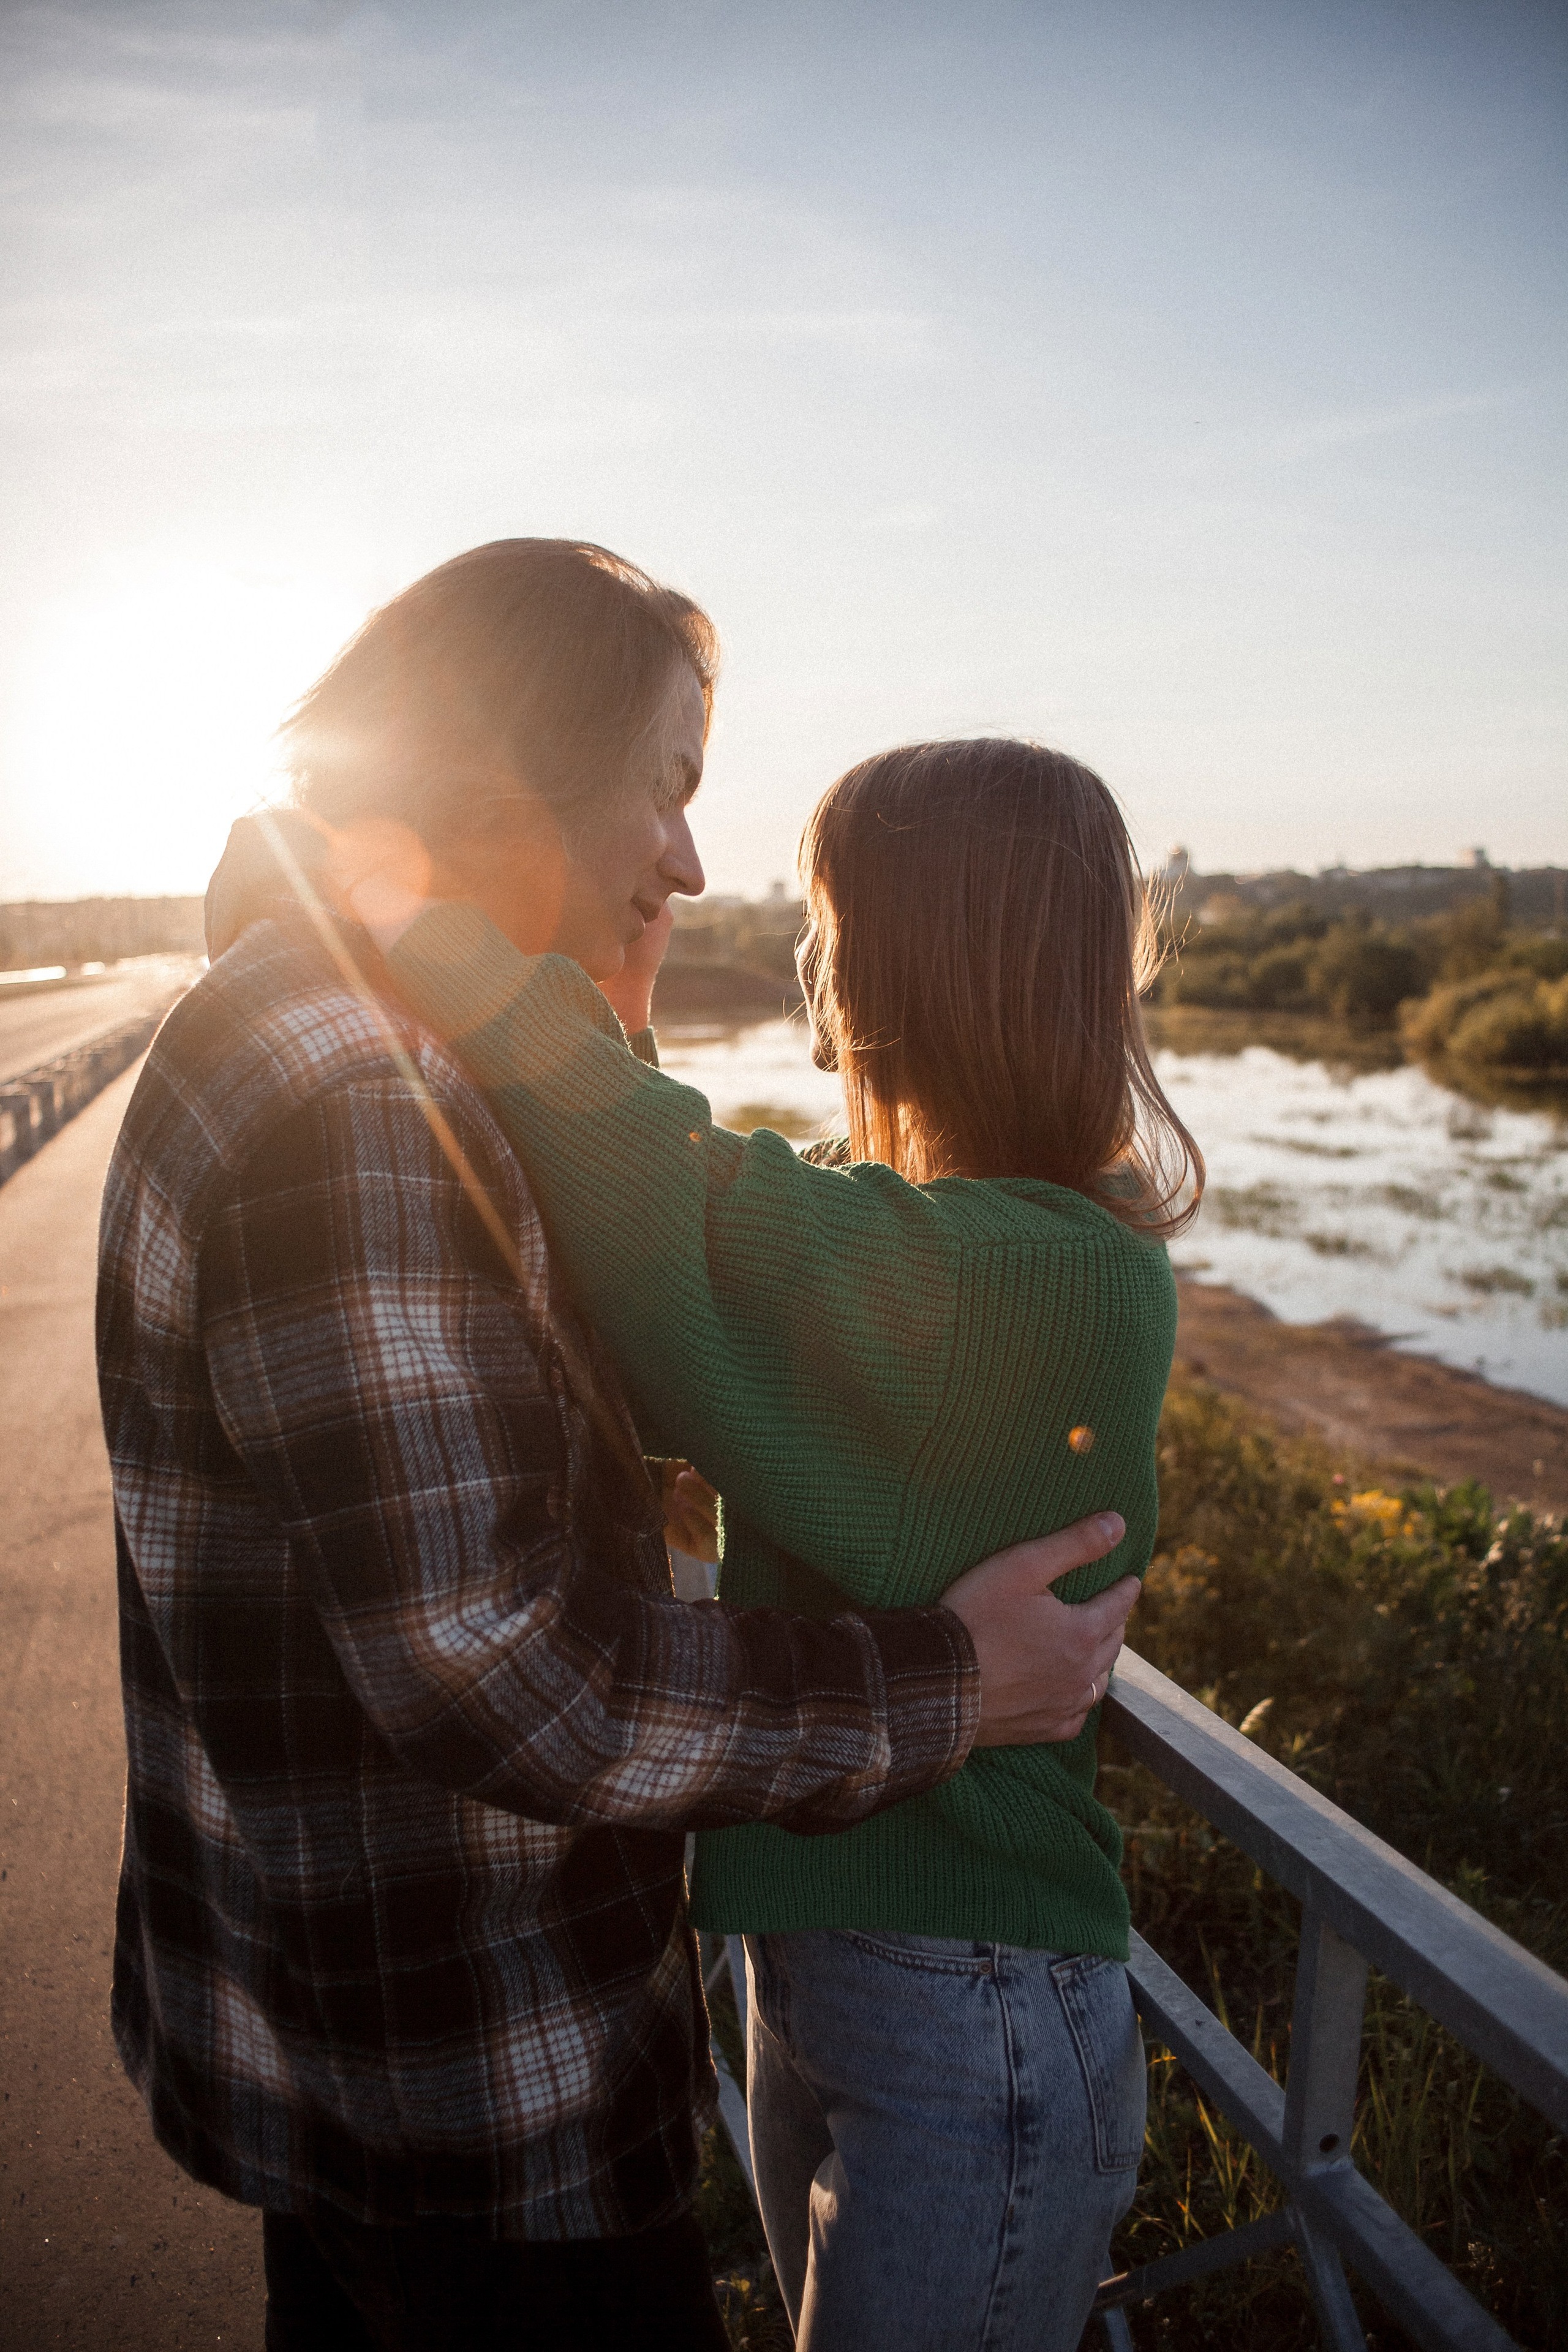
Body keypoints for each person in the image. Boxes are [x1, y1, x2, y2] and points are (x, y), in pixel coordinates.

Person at [107, 539, 1141, 2352]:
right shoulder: (360, 1099)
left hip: (395, 2064)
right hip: (466, 2095)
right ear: (514, 789)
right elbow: (500, 1671)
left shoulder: (364, 1049)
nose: (688, 858)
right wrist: (950, 1686)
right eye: (666, 795)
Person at [313, 733, 1204, 2351]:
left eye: (833, 920)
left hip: (973, 2002)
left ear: (905, 965)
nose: (814, 958)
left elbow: (676, 1199)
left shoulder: (1046, 1268)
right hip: (844, 1977)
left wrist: (394, 901)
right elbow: (667, 1291)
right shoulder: (929, 1232)